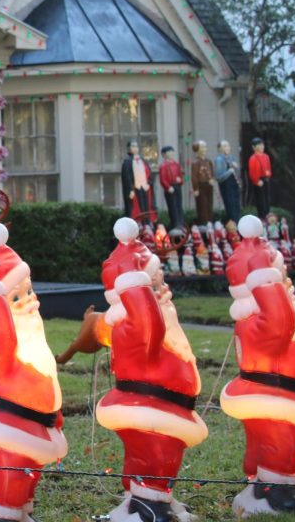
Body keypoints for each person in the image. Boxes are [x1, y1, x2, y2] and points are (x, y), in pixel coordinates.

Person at [95, 218, 208, 522]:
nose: (164, 286)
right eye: (156, 282)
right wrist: (137, 287)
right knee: (155, 457)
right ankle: (150, 507)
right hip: (152, 408)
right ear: (140, 289)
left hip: (160, 407)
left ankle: (143, 501)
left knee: (149, 457)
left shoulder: (148, 316)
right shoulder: (138, 322)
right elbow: (149, 320)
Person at [0, 222, 67, 522]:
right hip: (7, 428)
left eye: (29, 290)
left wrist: (53, 415)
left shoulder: (31, 338)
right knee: (8, 486)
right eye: (16, 297)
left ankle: (20, 513)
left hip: (34, 426)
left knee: (24, 483)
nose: (30, 301)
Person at [222, 215, 295, 515]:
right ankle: (274, 489)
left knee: (278, 442)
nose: (287, 281)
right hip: (275, 398)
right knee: (281, 443)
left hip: (277, 394)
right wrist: (270, 285)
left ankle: (265, 484)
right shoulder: (264, 316)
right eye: (281, 274)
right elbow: (281, 320)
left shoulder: (255, 316)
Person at [121, 141, 154, 223]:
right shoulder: (127, 162)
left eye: (136, 146)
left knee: (146, 206)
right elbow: (127, 177)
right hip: (135, 189)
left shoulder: (143, 161)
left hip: (144, 187)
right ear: (129, 148)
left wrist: (149, 183)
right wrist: (130, 190)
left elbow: (149, 173)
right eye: (133, 146)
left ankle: (147, 222)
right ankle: (138, 224)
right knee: (136, 208)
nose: (135, 148)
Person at [158, 145, 186, 232]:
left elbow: (181, 176)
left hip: (177, 186)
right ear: (164, 154)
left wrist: (180, 180)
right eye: (168, 152)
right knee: (172, 206)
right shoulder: (163, 166)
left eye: (171, 151)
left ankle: (181, 223)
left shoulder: (176, 164)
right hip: (170, 188)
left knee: (179, 205)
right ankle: (175, 223)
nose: (170, 153)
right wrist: (168, 187)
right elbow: (162, 179)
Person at [214, 141, 243, 224]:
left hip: (235, 184)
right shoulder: (219, 160)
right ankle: (233, 224)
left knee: (237, 204)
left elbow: (238, 173)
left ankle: (238, 222)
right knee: (230, 204)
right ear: (220, 149)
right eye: (225, 146)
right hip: (226, 185)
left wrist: (236, 168)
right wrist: (229, 171)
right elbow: (219, 176)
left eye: (228, 145)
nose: (227, 148)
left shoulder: (232, 158)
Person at [190, 140, 214, 225]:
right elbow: (194, 176)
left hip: (209, 185)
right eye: (202, 147)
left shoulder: (208, 161)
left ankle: (210, 221)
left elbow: (212, 172)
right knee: (202, 205)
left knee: (209, 205)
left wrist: (212, 179)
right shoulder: (196, 162)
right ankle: (203, 223)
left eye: (205, 147)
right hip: (201, 185)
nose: (205, 149)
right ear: (197, 149)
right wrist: (195, 188)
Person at [248, 138, 273, 220]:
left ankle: (268, 214)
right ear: (254, 147)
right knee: (260, 200)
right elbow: (252, 172)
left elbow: (269, 168)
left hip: (265, 179)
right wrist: (256, 180)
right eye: (259, 145)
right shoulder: (253, 158)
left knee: (267, 199)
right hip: (258, 181)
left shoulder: (266, 157)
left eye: (262, 144)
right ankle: (262, 216)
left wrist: (268, 175)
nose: (262, 146)